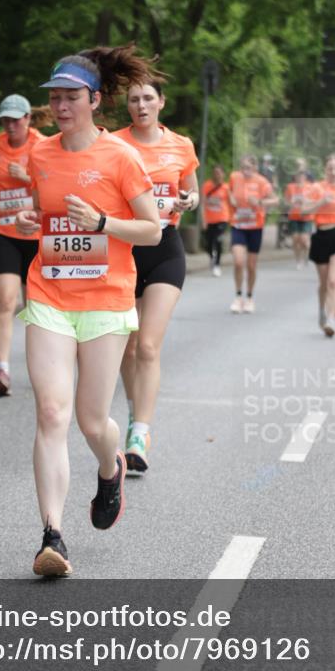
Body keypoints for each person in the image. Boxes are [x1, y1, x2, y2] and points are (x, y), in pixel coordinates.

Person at [15, 45, 161, 577]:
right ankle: (52, 536)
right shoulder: (40, 153)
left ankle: (109, 465)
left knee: (91, 419)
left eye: (71, 97)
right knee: (51, 413)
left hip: (106, 301)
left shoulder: (121, 157)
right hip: (49, 295)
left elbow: (152, 230)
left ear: (95, 101)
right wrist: (35, 219)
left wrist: (102, 224)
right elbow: (47, 211)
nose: (60, 106)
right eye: (54, 98)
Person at [113, 81, 199, 473]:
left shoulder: (181, 145)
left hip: (165, 247)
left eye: (148, 98)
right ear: (127, 105)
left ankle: (140, 434)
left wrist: (188, 200)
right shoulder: (114, 144)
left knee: (148, 345)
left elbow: (191, 192)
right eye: (134, 99)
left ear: (162, 102)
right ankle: (136, 411)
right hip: (124, 251)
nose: (141, 105)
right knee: (128, 347)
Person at [0, 95, 49, 396]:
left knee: (35, 306)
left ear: (28, 119)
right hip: (3, 231)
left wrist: (28, 177)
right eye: (5, 120)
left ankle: (41, 368)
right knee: (5, 301)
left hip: (36, 234)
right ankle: (2, 369)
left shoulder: (43, 146)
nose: (10, 125)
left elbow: (54, 185)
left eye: (15, 120)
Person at [301, 154, 335, 337]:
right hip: (321, 235)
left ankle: (331, 319)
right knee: (323, 282)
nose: (333, 172)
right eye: (330, 168)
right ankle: (322, 310)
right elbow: (304, 210)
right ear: (325, 170)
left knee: (333, 281)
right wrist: (321, 201)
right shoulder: (316, 188)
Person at [228, 156, 278, 313]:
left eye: (249, 168)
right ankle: (238, 296)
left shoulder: (262, 182)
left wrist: (260, 202)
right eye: (243, 167)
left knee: (251, 265)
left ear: (255, 168)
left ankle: (249, 297)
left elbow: (276, 200)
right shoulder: (234, 177)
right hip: (238, 225)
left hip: (255, 226)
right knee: (238, 262)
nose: (245, 171)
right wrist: (231, 199)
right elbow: (228, 190)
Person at [201, 165, 230, 277]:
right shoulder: (207, 186)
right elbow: (202, 204)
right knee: (208, 243)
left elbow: (232, 203)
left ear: (223, 174)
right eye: (215, 172)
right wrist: (203, 220)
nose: (217, 175)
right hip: (209, 220)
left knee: (218, 240)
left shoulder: (226, 188)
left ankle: (217, 265)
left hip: (222, 218)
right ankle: (212, 256)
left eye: (219, 172)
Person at [283, 168, 314, 269]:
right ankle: (298, 260)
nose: (300, 178)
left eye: (302, 175)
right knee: (296, 239)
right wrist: (291, 202)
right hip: (294, 216)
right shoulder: (290, 187)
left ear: (305, 177)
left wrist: (306, 201)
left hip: (306, 216)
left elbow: (316, 201)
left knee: (304, 240)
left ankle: (307, 257)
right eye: (298, 175)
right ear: (295, 177)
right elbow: (285, 201)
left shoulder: (310, 187)